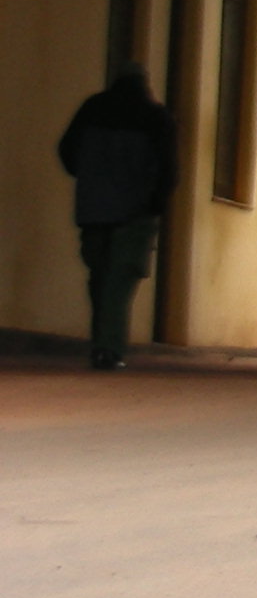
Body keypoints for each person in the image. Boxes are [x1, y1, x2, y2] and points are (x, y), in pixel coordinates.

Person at [56, 64, 177, 370]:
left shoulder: (92, 109)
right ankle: (109, 348)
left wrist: (89, 178)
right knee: (119, 280)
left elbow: (67, 150)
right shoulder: (155, 117)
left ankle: (101, 343)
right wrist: (156, 203)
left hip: (93, 208)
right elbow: (168, 168)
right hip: (135, 212)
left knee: (99, 277)